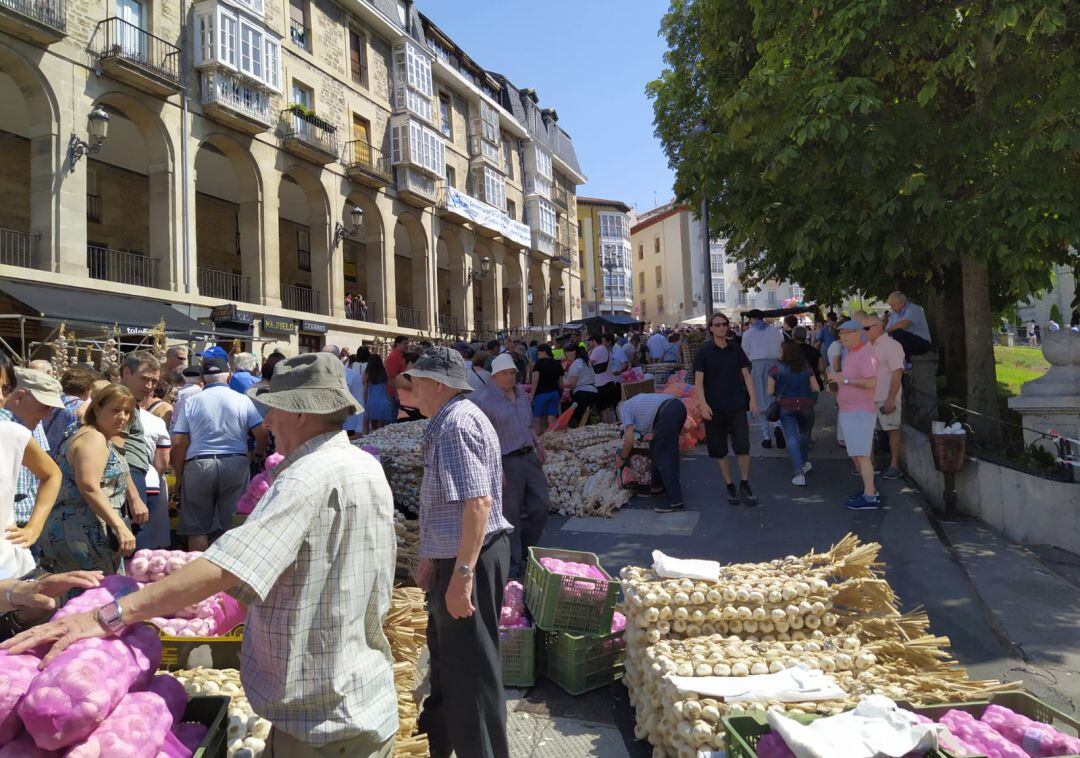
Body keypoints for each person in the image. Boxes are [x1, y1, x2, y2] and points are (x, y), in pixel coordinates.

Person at [7, 352, 400, 757]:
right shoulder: (361, 464)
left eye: (274, 410)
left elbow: (220, 569)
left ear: (300, 414)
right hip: (358, 694)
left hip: (321, 720)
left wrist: (106, 616)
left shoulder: (308, 476)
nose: (267, 422)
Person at [407, 347, 512, 758]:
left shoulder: (455, 425)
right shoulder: (453, 419)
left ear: (438, 384)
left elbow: (479, 503)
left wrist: (462, 574)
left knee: (470, 674)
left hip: (472, 558)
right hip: (462, 555)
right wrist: (433, 555)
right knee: (451, 667)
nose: (410, 386)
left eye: (417, 379)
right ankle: (442, 745)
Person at [37, 383, 138, 575]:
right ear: (98, 408)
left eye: (127, 411)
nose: (123, 417)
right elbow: (89, 486)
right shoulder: (93, 438)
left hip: (77, 528)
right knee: (97, 598)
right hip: (85, 532)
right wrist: (119, 526)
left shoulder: (89, 434)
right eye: (116, 410)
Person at [172, 356, 267, 551]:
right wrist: (257, 454)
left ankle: (198, 574)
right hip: (235, 462)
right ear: (229, 376)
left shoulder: (191, 401)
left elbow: (180, 442)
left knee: (197, 527)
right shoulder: (242, 400)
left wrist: (179, 475)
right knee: (233, 524)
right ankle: (228, 578)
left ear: (203, 378)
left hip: (198, 463)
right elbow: (261, 433)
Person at [472, 354, 550, 580]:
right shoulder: (484, 400)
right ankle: (515, 561)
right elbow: (484, 439)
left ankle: (525, 549)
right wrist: (495, 468)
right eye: (505, 373)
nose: (510, 377)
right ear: (494, 376)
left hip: (529, 457)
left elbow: (528, 424)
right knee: (511, 512)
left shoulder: (523, 395)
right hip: (506, 461)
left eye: (513, 373)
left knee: (541, 505)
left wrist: (539, 443)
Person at [0, 361, 62, 576]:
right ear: (20, 397)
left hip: (10, 552)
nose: (47, 415)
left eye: (4, 389)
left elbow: (51, 473)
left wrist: (34, 526)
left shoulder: (17, 432)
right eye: (44, 406)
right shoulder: (15, 429)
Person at [694, 313, 759, 506]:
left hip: (737, 405)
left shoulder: (736, 350)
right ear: (711, 329)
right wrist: (703, 404)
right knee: (719, 449)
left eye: (724, 324)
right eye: (717, 325)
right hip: (714, 408)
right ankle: (729, 484)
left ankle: (745, 483)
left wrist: (753, 399)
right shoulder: (703, 353)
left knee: (743, 445)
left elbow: (747, 376)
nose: (722, 327)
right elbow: (698, 382)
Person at [830, 320, 880, 510]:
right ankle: (869, 490)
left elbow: (871, 383)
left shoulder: (865, 354)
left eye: (847, 333)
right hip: (850, 411)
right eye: (840, 333)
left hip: (860, 412)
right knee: (857, 455)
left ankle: (870, 496)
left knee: (862, 454)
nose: (842, 337)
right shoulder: (851, 353)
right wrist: (837, 385)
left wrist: (845, 379)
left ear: (858, 333)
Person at [614, 392, 688, 514]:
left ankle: (676, 500)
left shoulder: (624, 409)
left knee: (665, 457)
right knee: (657, 448)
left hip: (667, 413)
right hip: (678, 408)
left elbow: (629, 440)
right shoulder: (635, 402)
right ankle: (656, 486)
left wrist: (622, 458)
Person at [767, 341, 820, 486]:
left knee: (791, 437)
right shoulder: (806, 367)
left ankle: (798, 472)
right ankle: (804, 462)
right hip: (805, 405)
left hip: (786, 405)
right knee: (804, 434)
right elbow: (816, 387)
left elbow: (770, 391)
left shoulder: (775, 369)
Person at [118, 352, 158, 538]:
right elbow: (115, 454)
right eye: (144, 378)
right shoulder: (120, 402)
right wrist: (134, 497)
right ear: (126, 373)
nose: (149, 386)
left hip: (133, 473)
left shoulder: (129, 401)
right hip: (128, 474)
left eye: (154, 381)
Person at [862, 315, 905, 480]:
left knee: (892, 429)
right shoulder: (867, 346)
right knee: (868, 430)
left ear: (877, 327)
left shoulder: (892, 346)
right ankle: (871, 464)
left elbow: (897, 373)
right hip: (869, 396)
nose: (864, 332)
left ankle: (895, 465)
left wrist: (891, 398)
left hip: (885, 395)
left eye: (866, 328)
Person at [740, 310, 786, 449]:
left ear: (753, 319)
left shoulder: (748, 334)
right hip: (774, 364)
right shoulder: (775, 331)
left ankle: (766, 437)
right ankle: (777, 425)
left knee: (759, 399)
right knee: (775, 396)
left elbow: (745, 352)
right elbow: (782, 348)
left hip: (758, 365)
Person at [135, 400, 171, 550]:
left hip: (124, 482)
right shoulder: (155, 421)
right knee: (146, 537)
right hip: (149, 479)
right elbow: (162, 460)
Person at [42, 366, 98, 455]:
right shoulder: (83, 409)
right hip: (62, 460)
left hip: (43, 455)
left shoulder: (51, 402)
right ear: (87, 390)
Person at [885, 291, 932, 361]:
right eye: (891, 305)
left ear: (902, 302)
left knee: (897, 332)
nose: (892, 308)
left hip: (921, 343)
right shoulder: (894, 314)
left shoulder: (914, 308)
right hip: (907, 344)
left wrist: (889, 330)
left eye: (893, 305)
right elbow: (887, 330)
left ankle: (907, 362)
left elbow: (904, 323)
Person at [530, 344, 563, 434]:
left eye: (539, 353)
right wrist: (561, 394)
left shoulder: (539, 363)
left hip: (541, 394)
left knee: (538, 420)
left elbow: (535, 379)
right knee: (552, 418)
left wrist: (532, 394)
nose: (538, 355)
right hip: (554, 393)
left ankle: (539, 443)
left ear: (544, 352)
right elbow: (561, 383)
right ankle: (553, 441)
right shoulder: (557, 363)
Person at [565, 344, 598, 427]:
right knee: (587, 419)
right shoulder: (585, 362)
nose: (566, 354)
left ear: (574, 352)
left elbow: (572, 384)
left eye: (567, 352)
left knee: (582, 421)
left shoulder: (576, 364)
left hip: (582, 394)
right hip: (592, 391)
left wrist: (560, 384)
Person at [589, 334, 617, 423]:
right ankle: (612, 427)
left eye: (589, 341)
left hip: (600, 383)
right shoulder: (607, 350)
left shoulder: (597, 350)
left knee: (603, 409)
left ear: (593, 341)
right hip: (610, 381)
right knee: (608, 408)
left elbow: (589, 364)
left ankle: (606, 428)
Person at [362, 354, 394, 431]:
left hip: (371, 402)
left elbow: (365, 390)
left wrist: (365, 402)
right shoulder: (384, 373)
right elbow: (389, 387)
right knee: (380, 428)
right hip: (383, 402)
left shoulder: (368, 374)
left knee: (367, 424)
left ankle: (366, 440)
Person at [346, 347, 370, 436]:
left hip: (353, 387)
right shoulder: (368, 365)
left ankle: (353, 427)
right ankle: (361, 428)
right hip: (364, 387)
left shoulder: (353, 364)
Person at [385, 336, 409, 416]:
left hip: (401, 392)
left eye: (407, 343)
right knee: (394, 418)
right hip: (394, 394)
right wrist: (397, 394)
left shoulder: (402, 356)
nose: (407, 345)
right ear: (397, 344)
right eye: (405, 343)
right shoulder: (393, 357)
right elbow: (391, 378)